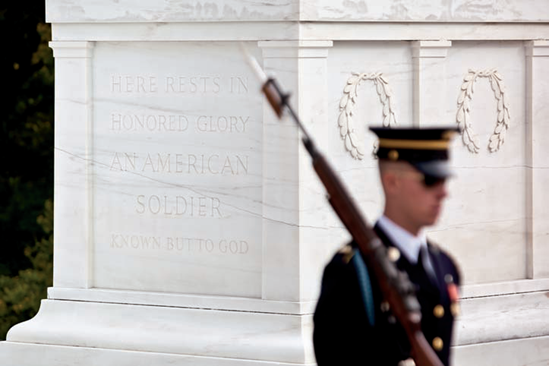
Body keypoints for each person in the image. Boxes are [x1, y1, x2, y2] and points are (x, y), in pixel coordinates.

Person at [313, 127, 462, 366]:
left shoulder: (445, 266)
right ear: (392, 182)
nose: (443, 192)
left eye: (443, 180)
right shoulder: (350, 272)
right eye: (430, 180)